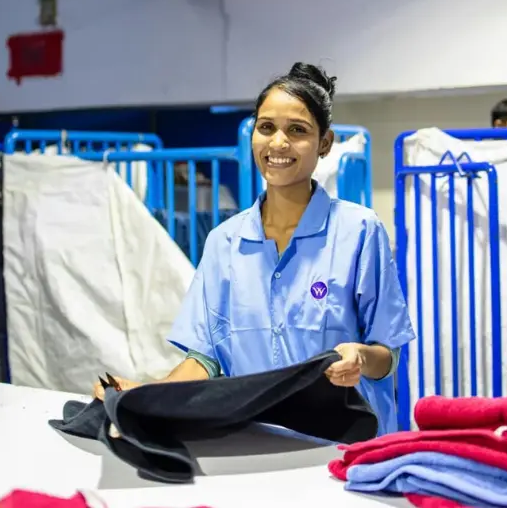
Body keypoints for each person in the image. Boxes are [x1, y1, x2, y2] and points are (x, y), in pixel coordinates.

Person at [93, 62, 415, 436]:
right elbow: (206, 360)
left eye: (297, 130)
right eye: (267, 128)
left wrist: (360, 357)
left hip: (345, 443)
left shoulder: (358, 232)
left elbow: (387, 355)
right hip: (258, 440)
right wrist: (146, 394)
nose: (278, 143)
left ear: (324, 144)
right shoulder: (224, 242)